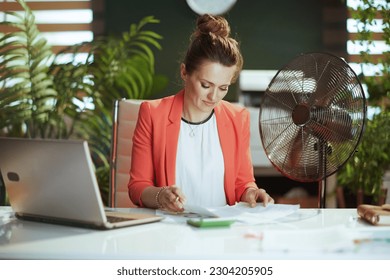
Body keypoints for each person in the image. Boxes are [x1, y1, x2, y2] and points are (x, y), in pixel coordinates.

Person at [128, 14, 274, 213]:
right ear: (184, 72)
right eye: (206, 85)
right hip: (171, 232)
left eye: (223, 88)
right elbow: (137, 187)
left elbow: (243, 183)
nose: (214, 96)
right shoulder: (153, 114)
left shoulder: (237, 118)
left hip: (222, 231)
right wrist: (160, 195)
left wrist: (251, 193)